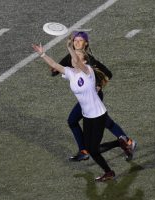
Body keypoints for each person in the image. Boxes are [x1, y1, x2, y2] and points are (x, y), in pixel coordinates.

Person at [32, 37, 133, 181]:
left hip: (99, 115)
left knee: (93, 149)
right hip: (87, 116)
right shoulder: (70, 73)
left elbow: (78, 62)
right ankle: (120, 144)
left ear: (84, 61)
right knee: (91, 149)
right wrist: (42, 54)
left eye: (78, 57)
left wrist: (70, 49)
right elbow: (54, 64)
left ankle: (111, 166)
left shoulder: (88, 71)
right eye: (74, 57)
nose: (74, 59)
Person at [51, 31, 137, 162]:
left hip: (93, 97)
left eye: (80, 40)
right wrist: (56, 68)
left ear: (86, 44)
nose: (77, 42)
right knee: (98, 122)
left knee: (94, 122)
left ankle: (87, 150)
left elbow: (108, 73)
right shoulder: (70, 57)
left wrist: (99, 86)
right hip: (84, 99)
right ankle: (126, 142)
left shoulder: (89, 59)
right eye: (75, 40)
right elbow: (54, 72)